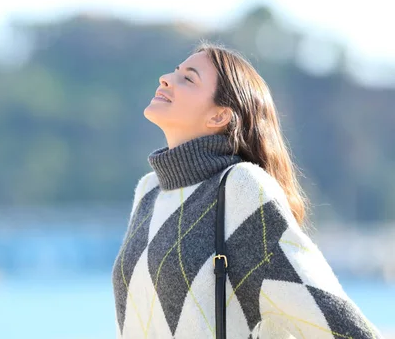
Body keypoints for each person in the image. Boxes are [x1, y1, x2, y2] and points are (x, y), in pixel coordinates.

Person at [111, 43, 383, 338]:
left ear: (219, 116)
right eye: (175, 71)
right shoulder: (148, 192)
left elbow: (332, 317)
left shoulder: (240, 189)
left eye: (188, 78)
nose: (166, 78)